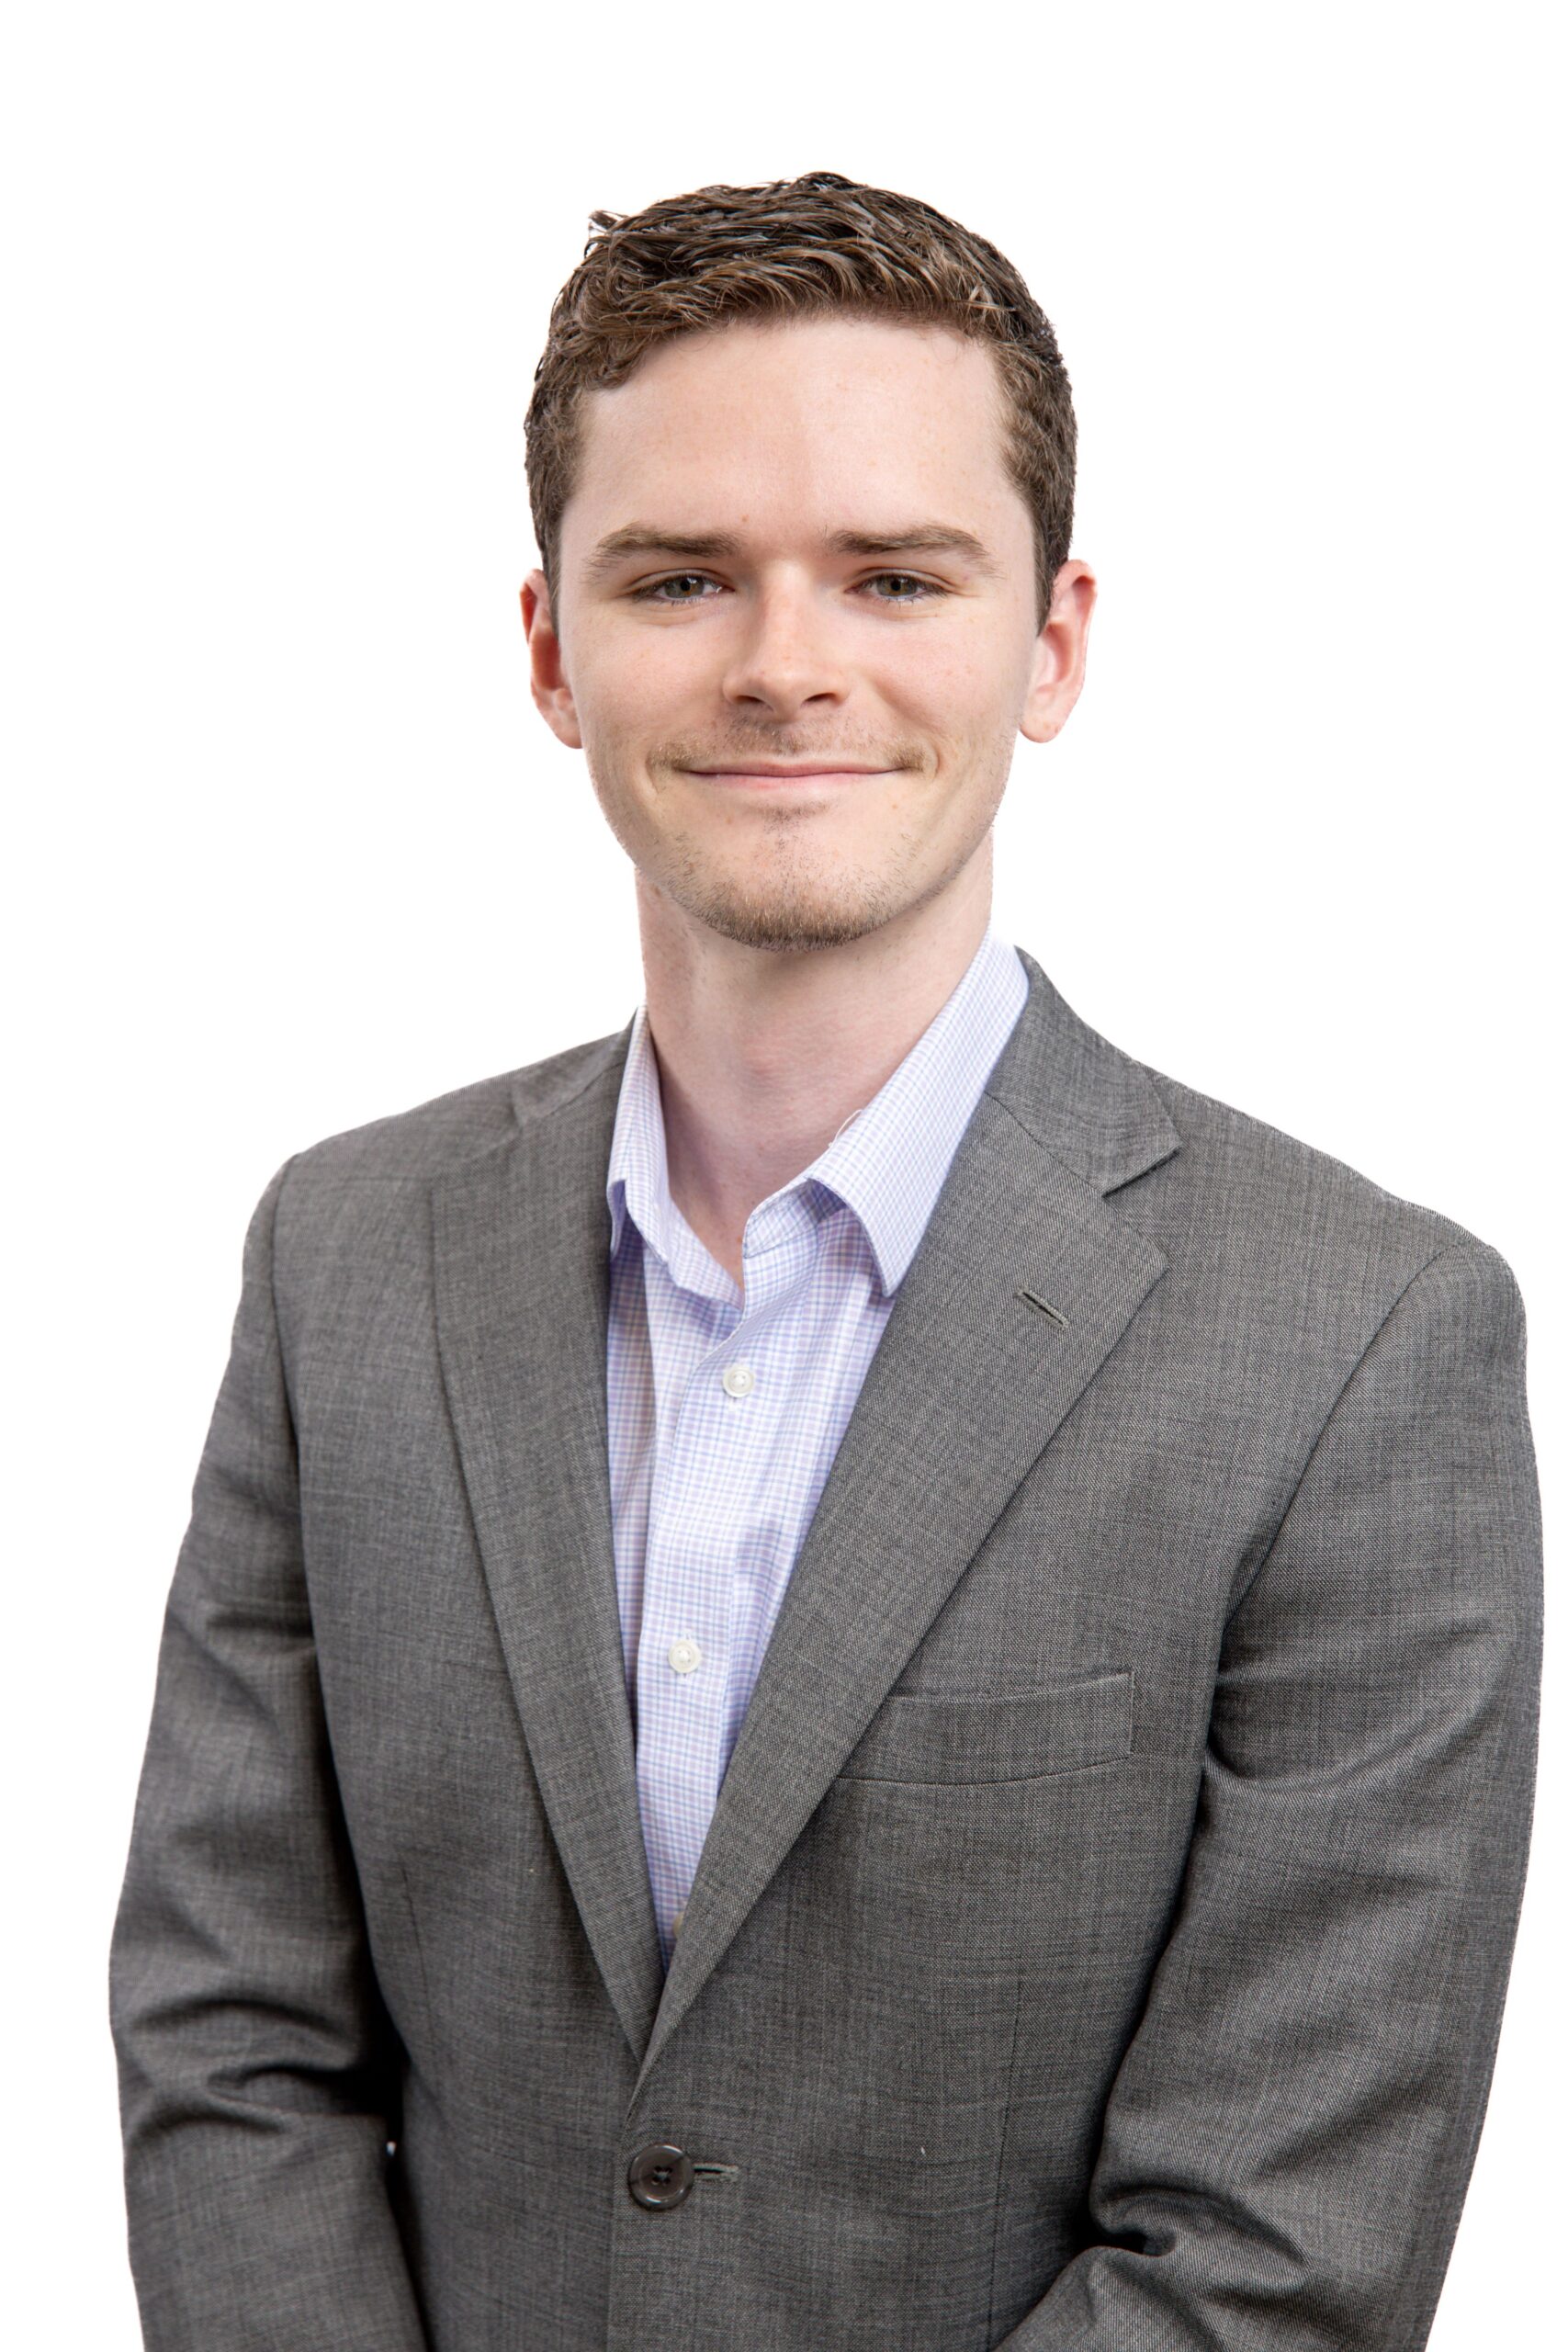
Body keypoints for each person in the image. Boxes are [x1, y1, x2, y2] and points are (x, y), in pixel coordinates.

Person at [109, 170, 1543, 2351]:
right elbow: (233, 2044)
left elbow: (1274, 2250)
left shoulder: (1354, 1343)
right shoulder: (347, 1259)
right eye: (681, 576)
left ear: (1048, 640)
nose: (787, 664)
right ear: (548, 646)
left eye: (892, 575)